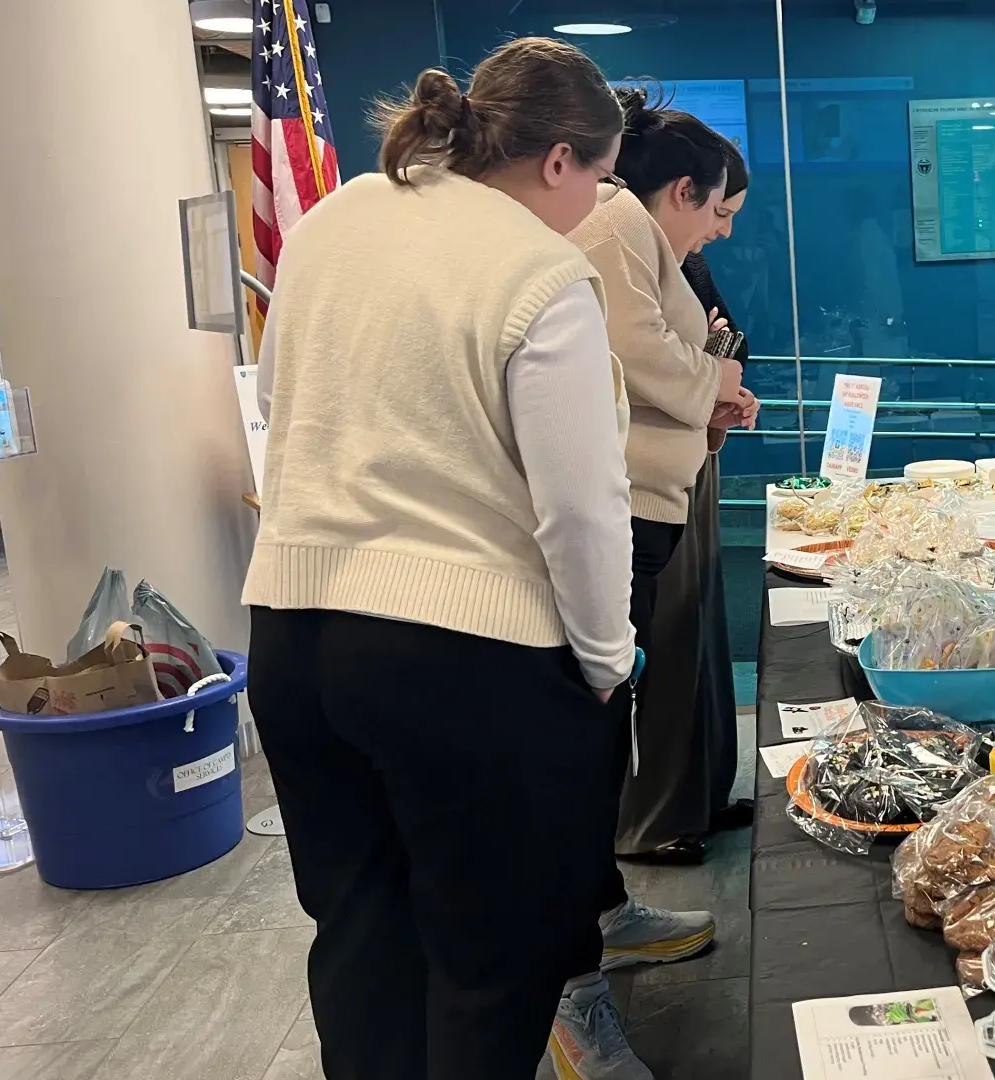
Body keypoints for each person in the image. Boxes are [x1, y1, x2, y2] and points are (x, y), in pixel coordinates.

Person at [243, 39, 703, 1080]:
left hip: (292, 635)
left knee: (360, 937)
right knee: (489, 964)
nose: (598, 204)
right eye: (600, 177)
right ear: (558, 162)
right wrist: (602, 660)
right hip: (462, 659)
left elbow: (276, 404)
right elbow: (581, 509)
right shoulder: (539, 272)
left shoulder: (331, 221)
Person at [569, 96, 755, 869]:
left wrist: (714, 392)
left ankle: (687, 803)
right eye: (719, 209)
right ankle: (634, 841)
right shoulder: (615, 225)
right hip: (630, 495)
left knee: (683, 654)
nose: (722, 229)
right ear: (683, 189)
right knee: (641, 675)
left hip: (666, 480)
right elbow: (634, 348)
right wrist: (713, 376)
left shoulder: (642, 236)